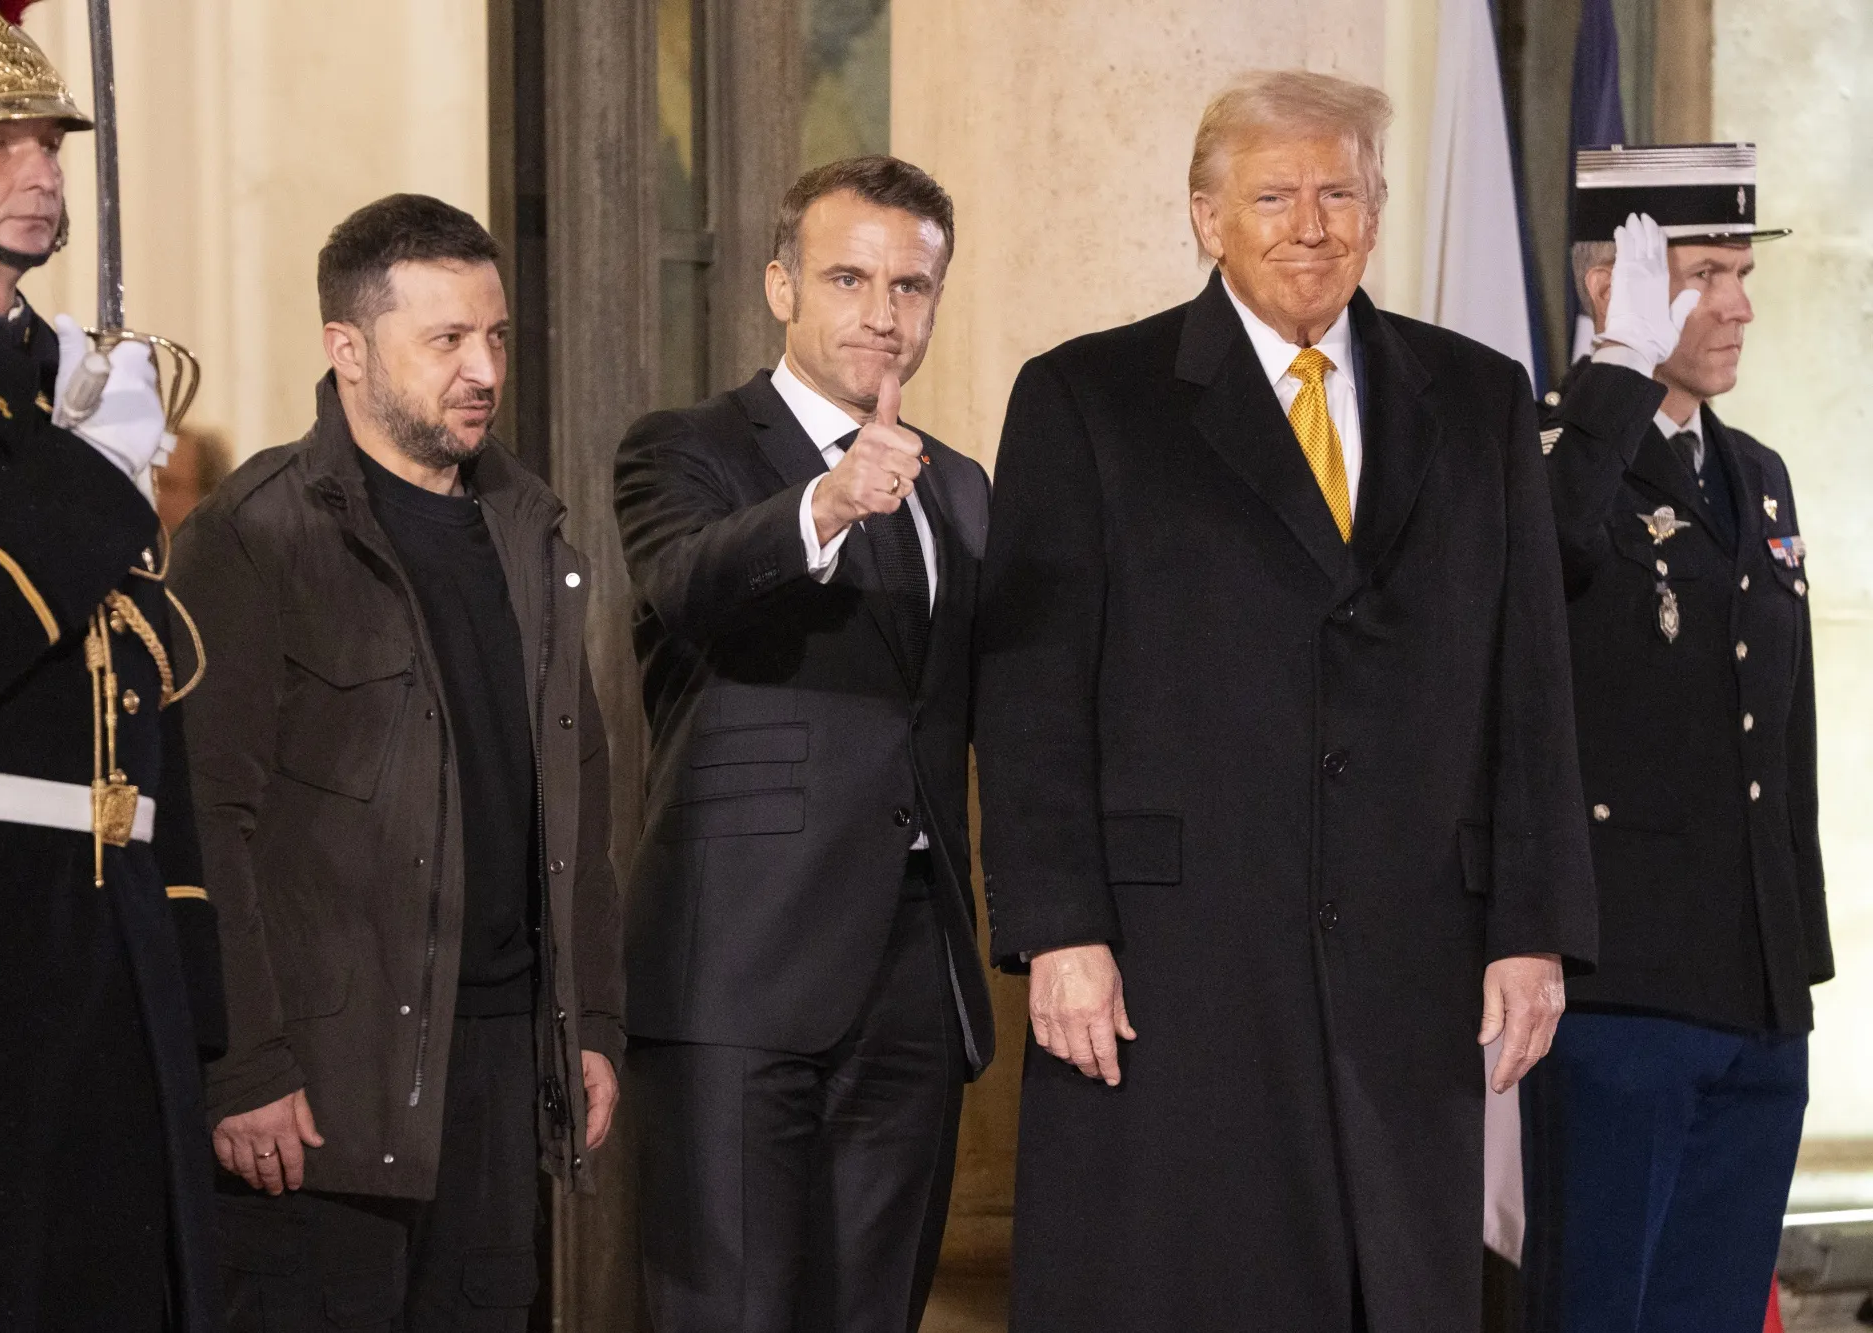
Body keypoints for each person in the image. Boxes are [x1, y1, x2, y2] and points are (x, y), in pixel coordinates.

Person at [973, 70, 1598, 1331]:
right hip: (1171, 962)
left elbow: (1528, 685)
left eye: (1339, 192)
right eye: (1272, 194)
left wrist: (1532, 927)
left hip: (1411, 956)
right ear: (1205, 219)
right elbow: (1031, 696)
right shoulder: (1087, 397)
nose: (1310, 223)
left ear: (1374, 212)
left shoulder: (1474, 400)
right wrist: (1055, 931)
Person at [168, 193, 623, 1330]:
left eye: (496, 336)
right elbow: (201, 817)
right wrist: (242, 1064)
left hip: (499, 1074)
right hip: (321, 1088)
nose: (483, 368)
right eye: (446, 340)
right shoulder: (253, 534)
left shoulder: (530, 531)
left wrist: (592, 1025)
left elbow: (576, 813)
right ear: (348, 351)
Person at [0, 2, 226, 1328]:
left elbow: (138, 686)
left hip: (106, 944)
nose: (41, 170)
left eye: (50, 143)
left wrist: (188, 979)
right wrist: (85, 480)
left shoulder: (58, 370)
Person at [613, 155, 994, 1332]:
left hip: (914, 973)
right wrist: (822, 506)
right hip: (737, 966)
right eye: (847, 277)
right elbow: (688, 582)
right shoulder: (684, 447)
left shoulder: (963, 488)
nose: (881, 312)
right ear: (780, 287)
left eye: (910, 287)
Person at [1519, 146, 1829, 1333]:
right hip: (1619, 984)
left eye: (1742, 272)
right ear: (1616, 287)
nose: (1740, 305)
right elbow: (1537, 567)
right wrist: (1609, 377)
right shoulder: (1546, 454)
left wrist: (1790, 960)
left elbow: (1780, 736)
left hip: (1753, 982)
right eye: (1706, 274)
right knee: (1602, 1306)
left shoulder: (1757, 477)